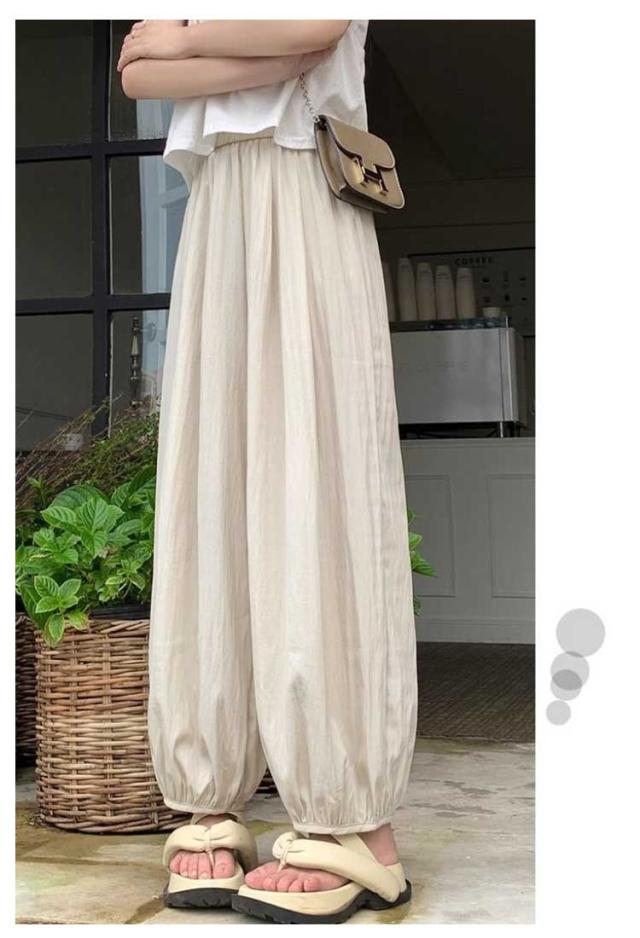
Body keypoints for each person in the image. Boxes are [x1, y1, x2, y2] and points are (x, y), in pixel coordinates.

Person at [119, 18, 417, 925]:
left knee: (321, 488)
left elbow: (312, 29)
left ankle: (355, 821)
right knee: (209, 489)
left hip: (306, 184)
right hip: (217, 205)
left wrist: (183, 38)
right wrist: (232, 52)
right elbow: (135, 72)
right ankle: (210, 798)